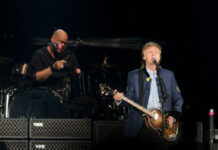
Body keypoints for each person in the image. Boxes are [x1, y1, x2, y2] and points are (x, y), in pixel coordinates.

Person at [113, 41, 184, 150]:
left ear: (159, 57)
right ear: (144, 57)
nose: (153, 54)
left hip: (163, 125)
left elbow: (178, 99)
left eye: (156, 52)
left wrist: (173, 116)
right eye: (150, 52)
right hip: (140, 124)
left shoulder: (168, 75)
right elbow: (129, 98)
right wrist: (119, 100)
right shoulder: (134, 75)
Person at [10, 28, 82, 118]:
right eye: (61, 42)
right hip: (42, 98)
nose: (62, 45)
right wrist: (52, 68)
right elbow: (36, 77)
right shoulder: (40, 54)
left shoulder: (69, 55)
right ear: (53, 39)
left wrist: (76, 72)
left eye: (65, 43)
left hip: (63, 98)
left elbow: (78, 73)